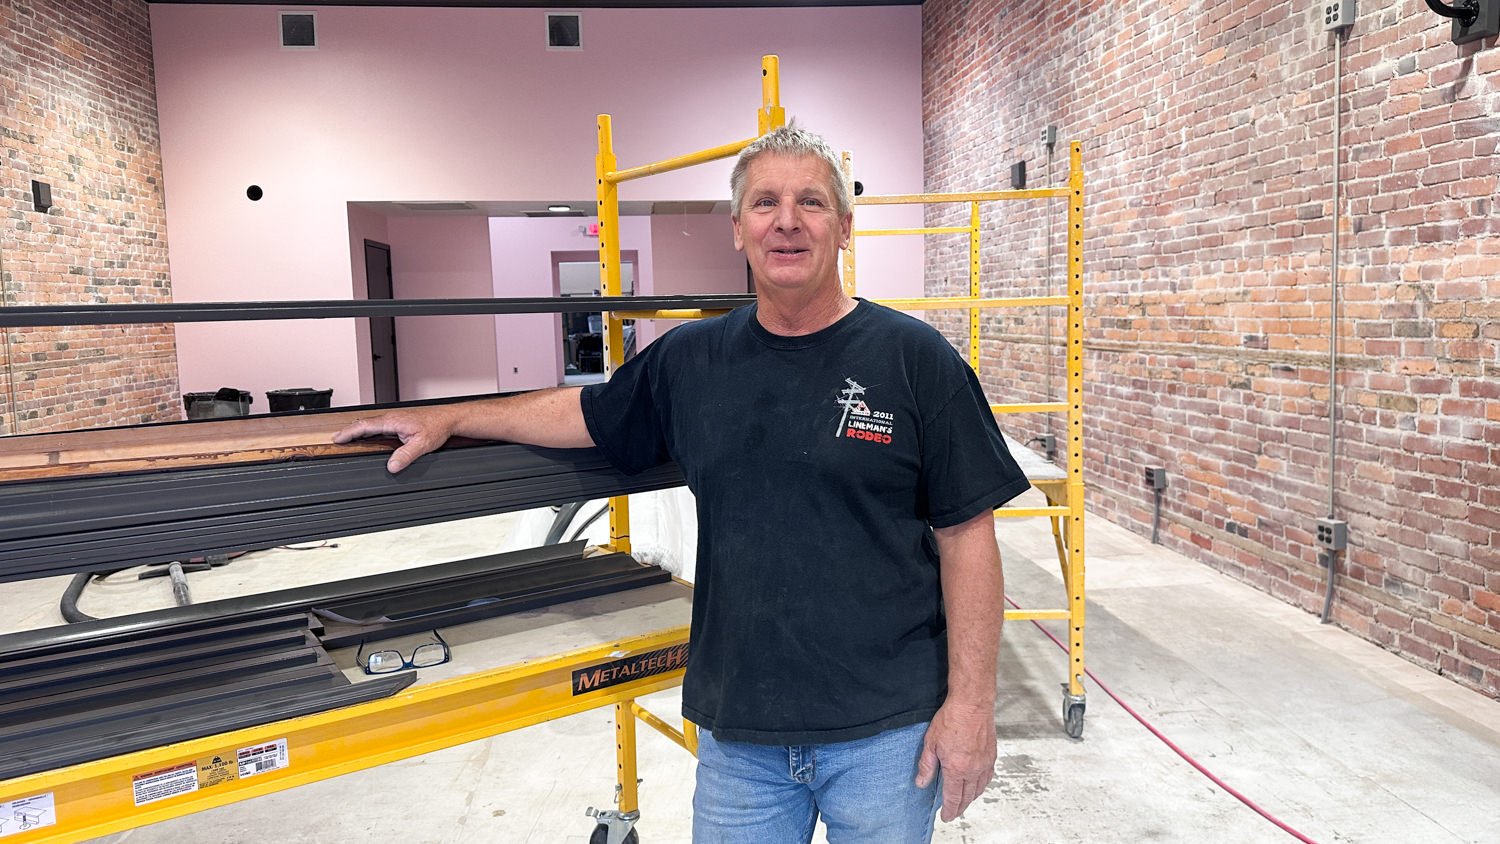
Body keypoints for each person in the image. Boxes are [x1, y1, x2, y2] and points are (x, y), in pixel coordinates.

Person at [334, 125, 1029, 843]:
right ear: (738, 229)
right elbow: (582, 411)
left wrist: (972, 708)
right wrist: (453, 416)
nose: (786, 220)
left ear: (845, 227)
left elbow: (967, 539)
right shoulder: (692, 362)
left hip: (887, 735)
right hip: (740, 736)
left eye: (812, 202)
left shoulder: (917, 361)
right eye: (764, 202)